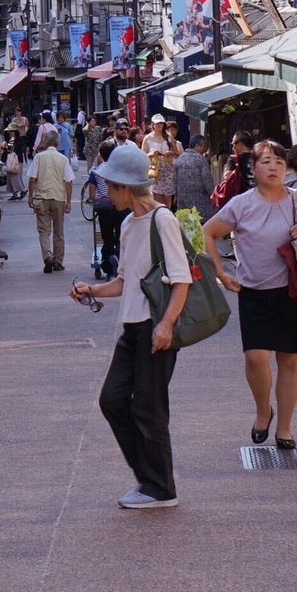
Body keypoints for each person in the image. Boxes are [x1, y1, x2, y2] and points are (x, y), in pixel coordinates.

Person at [70, 143, 191, 508]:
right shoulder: (127, 224)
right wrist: (92, 289)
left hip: (155, 326)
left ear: (126, 188)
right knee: (114, 400)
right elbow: (125, 280)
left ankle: (160, 488)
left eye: (111, 184)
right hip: (134, 327)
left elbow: (182, 279)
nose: (107, 190)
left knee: (149, 407)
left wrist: (166, 325)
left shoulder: (163, 220)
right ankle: (150, 478)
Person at [200, 140, 297, 451]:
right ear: (253, 169)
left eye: (279, 161)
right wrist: (221, 273)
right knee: (256, 357)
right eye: (265, 162)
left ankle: (285, 428)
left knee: (290, 361)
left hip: (293, 292)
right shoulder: (242, 204)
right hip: (254, 293)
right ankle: (263, 410)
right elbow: (209, 232)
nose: (273, 167)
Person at [28, 132, 70, 273]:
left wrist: (30, 196)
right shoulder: (63, 159)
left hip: (41, 197)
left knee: (44, 231)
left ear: (45, 143)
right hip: (58, 198)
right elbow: (68, 182)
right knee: (59, 231)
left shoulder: (38, 158)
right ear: (58, 144)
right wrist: (68, 201)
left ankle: (47, 256)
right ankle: (58, 261)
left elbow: (33, 178)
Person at [87, 141, 125, 278]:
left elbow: (92, 194)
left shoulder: (96, 171)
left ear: (101, 156)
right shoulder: (121, 169)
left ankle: (108, 269)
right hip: (121, 207)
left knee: (106, 238)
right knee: (121, 237)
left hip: (104, 209)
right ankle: (120, 263)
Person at [171, 136, 215, 219]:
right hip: (200, 200)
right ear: (197, 146)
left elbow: (175, 178)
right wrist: (213, 194)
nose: (205, 149)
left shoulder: (180, 158)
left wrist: (176, 194)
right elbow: (207, 179)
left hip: (183, 199)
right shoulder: (201, 159)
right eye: (204, 146)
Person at [142, 114, 179, 208]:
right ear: (153, 124)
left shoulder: (169, 136)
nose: (159, 125)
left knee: (168, 199)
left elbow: (177, 153)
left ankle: (167, 216)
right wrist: (151, 153)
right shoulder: (148, 138)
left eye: (161, 123)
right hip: (155, 170)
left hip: (168, 170)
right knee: (158, 198)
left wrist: (170, 153)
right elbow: (142, 156)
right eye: (157, 123)